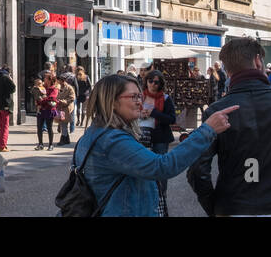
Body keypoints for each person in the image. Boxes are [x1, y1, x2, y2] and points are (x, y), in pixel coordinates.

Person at [186, 37, 271, 216]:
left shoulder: (217, 111)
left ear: (227, 69)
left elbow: (197, 170)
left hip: (233, 206)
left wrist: (214, 206)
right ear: (258, 61)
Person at [73, 73, 236, 217]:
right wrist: (207, 130)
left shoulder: (97, 134)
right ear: (112, 101)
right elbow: (162, 167)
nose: (140, 102)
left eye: (140, 96)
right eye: (133, 97)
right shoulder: (111, 140)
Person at [139, 70, 178, 209]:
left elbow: (172, 119)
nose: (153, 84)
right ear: (146, 81)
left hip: (160, 137)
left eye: (156, 82)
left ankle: (161, 194)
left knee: (160, 166)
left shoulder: (166, 98)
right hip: (142, 136)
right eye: (150, 81)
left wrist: (154, 113)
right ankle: (146, 194)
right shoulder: (140, 97)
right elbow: (131, 113)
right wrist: (140, 114)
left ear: (160, 84)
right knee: (144, 166)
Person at [34, 72, 58, 150]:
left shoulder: (54, 89)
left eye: (45, 78)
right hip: (41, 109)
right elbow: (37, 96)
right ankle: (40, 144)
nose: (44, 79)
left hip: (49, 110)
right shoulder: (42, 87)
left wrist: (42, 100)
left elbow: (52, 98)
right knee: (39, 127)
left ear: (49, 80)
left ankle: (51, 144)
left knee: (49, 127)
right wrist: (39, 101)